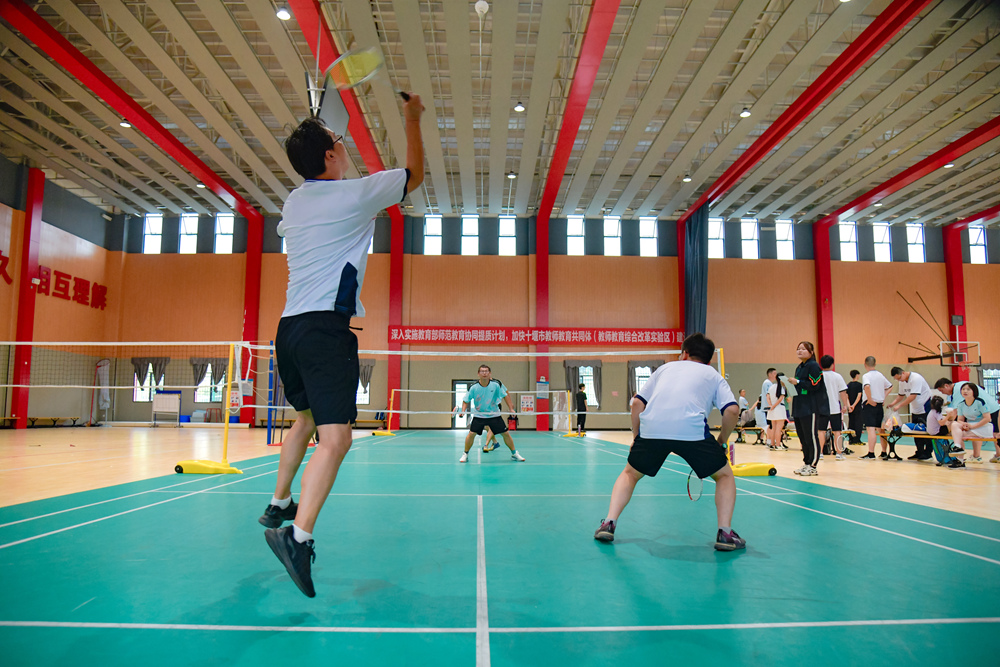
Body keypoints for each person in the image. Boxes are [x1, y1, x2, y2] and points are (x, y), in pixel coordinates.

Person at [259, 96, 426, 598]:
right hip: (323, 331)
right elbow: (414, 175)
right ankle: (298, 538)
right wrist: (412, 120)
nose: (344, 145)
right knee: (337, 440)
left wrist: (320, 134)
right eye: (338, 142)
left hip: (288, 330)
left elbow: (318, 171)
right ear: (330, 156)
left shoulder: (295, 202)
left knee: (305, 420)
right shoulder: (355, 194)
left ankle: (278, 502)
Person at [593, 333, 744, 551]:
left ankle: (608, 523)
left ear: (684, 354)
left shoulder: (664, 369)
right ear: (709, 360)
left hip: (652, 431)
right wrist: (722, 440)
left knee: (630, 474)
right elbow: (732, 410)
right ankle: (725, 533)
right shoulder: (713, 374)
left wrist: (636, 437)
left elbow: (637, 403)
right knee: (724, 476)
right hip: (692, 432)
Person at [458, 365, 525, 463]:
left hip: (494, 414)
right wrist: (463, 411)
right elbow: (466, 400)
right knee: (471, 434)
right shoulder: (473, 387)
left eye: (486, 371)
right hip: (479, 415)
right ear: (478, 374)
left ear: (490, 373)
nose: (484, 373)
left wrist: (511, 409)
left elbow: (505, 395)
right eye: (482, 371)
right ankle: (465, 454)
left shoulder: (496, 385)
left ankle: (514, 454)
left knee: (505, 434)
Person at [787, 341, 828, 475]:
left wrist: (798, 382)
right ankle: (807, 463)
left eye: (803, 349)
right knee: (803, 437)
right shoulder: (799, 367)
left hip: (810, 407)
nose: (800, 351)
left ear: (811, 352)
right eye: (798, 349)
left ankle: (813, 465)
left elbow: (814, 384)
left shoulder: (814, 366)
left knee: (811, 436)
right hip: (799, 406)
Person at [887, 367, 933, 460]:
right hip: (915, 409)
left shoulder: (916, 378)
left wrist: (899, 406)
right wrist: (892, 404)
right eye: (897, 379)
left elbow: (913, 396)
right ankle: (919, 451)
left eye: (899, 378)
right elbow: (901, 396)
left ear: (903, 373)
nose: (899, 380)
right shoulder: (902, 382)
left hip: (925, 407)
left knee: (926, 431)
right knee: (915, 431)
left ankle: (928, 453)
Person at [859, 357, 897, 461]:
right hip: (879, 405)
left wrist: (870, 399)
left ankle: (871, 453)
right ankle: (884, 452)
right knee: (881, 429)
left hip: (870, 405)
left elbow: (867, 386)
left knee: (870, 429)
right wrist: (883, 397)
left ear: (865, 364)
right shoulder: (880, 375)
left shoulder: (866, 376)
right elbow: (890, 386)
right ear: (875, 364)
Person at [949, 382, 995, 464]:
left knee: (957, 435)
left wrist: (972, 427)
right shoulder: (961, 404)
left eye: (968, 389)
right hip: (970, 427)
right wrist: (964, 425)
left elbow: (987, 418)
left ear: (974, 391)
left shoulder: (980, 402)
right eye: (963, 389)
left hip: (982, 427)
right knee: (955, 424)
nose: (965, 391)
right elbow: (960, 420)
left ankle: (959, 460)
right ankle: (958, 448)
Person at [817, 355, 848, 461]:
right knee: (837, 431)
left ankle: (820, 453)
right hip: (835, 408)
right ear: (832, 364)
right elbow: (843, 392)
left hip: (821, 408)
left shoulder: (818, 376)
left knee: (821, 431)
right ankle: (839, 454)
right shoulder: (837, 376)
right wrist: (845, 405)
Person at [482, 376, 517, 452]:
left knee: (491, 426)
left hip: (496, 406)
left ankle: (486, 445)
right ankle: (495, 443)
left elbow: (506, 392)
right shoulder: (482, 384)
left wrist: (510, 406)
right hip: (486, 408)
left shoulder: (497, 383)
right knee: (487, 426)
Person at [766, 372, 788, 451]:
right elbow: (780, 399)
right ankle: (778, 445)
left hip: (772, 410)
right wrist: (774, 406)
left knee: (774, 428)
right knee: (778, 429)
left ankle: (772, 444)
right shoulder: (781, 388)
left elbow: (767, 396)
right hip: (779, 409)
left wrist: (771, 405)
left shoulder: (771, 387)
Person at [846, 370, 864, 445]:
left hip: (850, 408)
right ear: (857, 375)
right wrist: (854, 405)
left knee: (851, 423)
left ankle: (851, 439)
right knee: (858, 423)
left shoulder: (848, 385)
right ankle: (857, 439)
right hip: (857, 407)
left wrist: (849, 406)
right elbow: (859, 396)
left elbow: (846, 397)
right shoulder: (859, 385)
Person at [759, 369, 777, 446]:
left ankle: (770, 440)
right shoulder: (767, 383)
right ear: (770, 374)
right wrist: (771, 405)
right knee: (770, 425)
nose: (776, 375)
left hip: (769, 407)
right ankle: (769, 440)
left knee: (771, 425)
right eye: (774, 373)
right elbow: (768, 395)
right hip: (769, 407)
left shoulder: (770, 383)